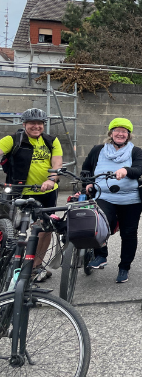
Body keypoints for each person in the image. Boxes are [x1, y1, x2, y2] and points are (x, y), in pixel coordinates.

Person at [0, 108, 62, 282]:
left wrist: (52, 179)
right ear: (24, 124)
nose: (36, 126)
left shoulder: (51, 141)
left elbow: (57, 162)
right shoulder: (12, 140)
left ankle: (36, 265)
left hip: (46, 192)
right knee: (13, 230)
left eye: (40, 123)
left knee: (44, 228)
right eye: (32, 123)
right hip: (19, 191)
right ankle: (9, 262)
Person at [81, 118, 142, 284]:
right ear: (110, 133)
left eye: (124, 131)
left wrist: (125, 170)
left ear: (128, 135)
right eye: (117, 130)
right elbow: (86, 169)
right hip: (104, 195)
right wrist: (87, 183)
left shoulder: (135, 151)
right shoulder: (98, 150)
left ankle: (124, 267)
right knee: (98, 225)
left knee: (129, 234)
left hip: (131, 199)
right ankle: (101, 255)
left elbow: (138, 170)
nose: (120, 133)